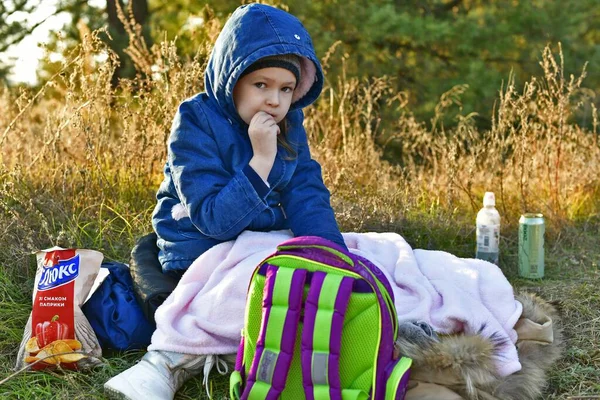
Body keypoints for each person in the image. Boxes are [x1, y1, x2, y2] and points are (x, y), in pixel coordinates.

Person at [104, 3, 345, 399]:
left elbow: (306, 191)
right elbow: (214, 221)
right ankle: (170, 360)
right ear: (232, 79)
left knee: (343, 257)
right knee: (269, 287)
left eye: (286, 89)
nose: (275, 101)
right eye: (261, 85)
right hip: (200, 245)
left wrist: (330, 255)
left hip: (258, 236)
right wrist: (261, 161)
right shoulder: (196, 120)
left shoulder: (289, 123)